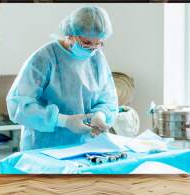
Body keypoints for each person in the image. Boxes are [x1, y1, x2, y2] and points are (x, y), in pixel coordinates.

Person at [7, 6, 118, 151]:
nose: (92, 49)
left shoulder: (97, 58)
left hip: (85, 146)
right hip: (45, 147)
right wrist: (63, 121)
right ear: (71, 34)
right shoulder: (44, 58)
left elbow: (107, 97)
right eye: (87, 43)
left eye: (98, 43)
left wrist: (100, 115)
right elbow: (18, 106)